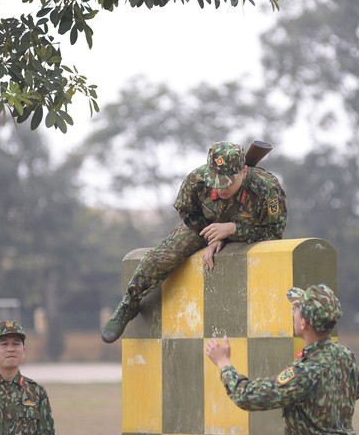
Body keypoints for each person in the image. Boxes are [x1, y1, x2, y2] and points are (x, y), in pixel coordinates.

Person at [101, 141, 287, 343]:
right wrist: (210, 236)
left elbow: (274, 233)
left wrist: (232, 231)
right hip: (205, 227)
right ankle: (130, 302)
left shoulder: (266, 189)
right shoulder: (197, 180)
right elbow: (187, 212)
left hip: (249, 234)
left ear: (243, 171)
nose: (220, 188)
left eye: (227, 183)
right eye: (216, 181)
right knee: (163, 256)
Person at [205, 284, 359, 435]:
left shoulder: (305, 371)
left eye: (296, 309)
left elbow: (246, 397)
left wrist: (223, 363)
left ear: (304, 323)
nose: (292, 312)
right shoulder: (345, 354)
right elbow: (357, 391)